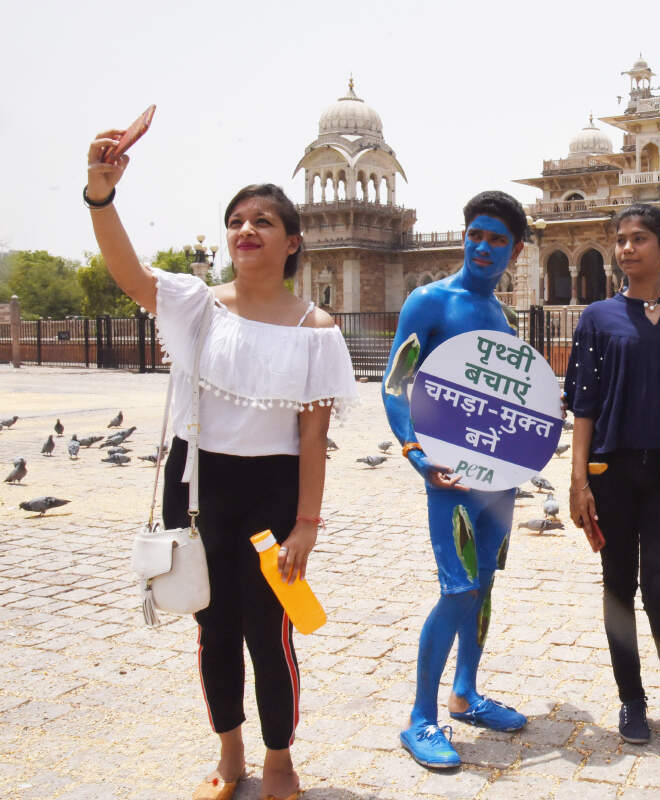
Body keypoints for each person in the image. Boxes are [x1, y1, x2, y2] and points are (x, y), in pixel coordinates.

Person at [86, 130, 357, 800]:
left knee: (272, 631)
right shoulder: (197, 305)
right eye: (235, 221)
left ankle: (280, 759)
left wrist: (307, 524)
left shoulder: (313, 329)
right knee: (214, 626)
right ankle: (231, 752)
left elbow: (313, 433)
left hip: (273, 489)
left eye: (263, 221)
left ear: (292, 242)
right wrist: (102, 192)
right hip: (199, 482)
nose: (246, 230)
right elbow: (129, 272)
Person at [381, 190, 530, 769]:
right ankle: (422, 717)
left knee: (484, 584)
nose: (484, 247)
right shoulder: (429, 301)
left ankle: (466, 694)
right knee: (458, 588)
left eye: (498, 239)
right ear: (464, 236)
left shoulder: (505, 316)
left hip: (500, 479)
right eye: (477, 234)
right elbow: (396, 384)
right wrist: (415, 452)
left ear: (515, 251)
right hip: (447, 475)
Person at [566, 203, 660, 744]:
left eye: (639, 238)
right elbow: (583, 403)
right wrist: (579, 481)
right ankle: (631, 700)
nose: (627, 248)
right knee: (618, 588)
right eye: (620, 239)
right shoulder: (598, 317)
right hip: (613, 471)